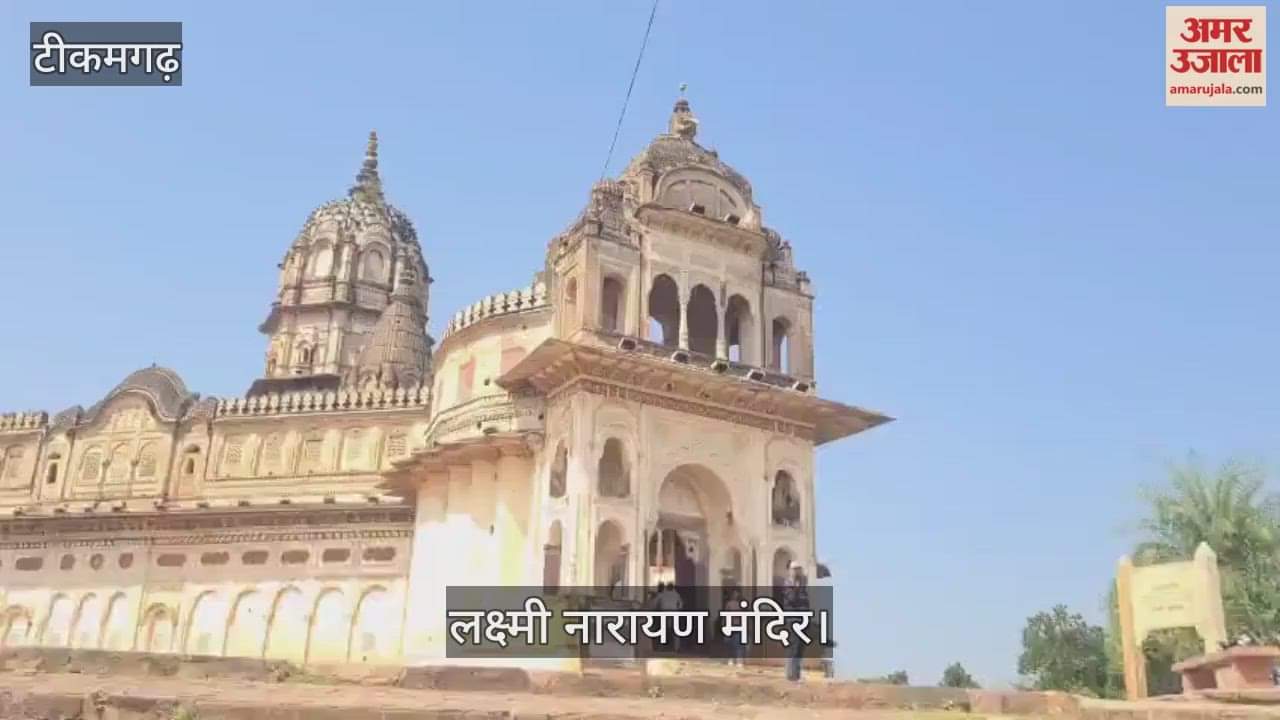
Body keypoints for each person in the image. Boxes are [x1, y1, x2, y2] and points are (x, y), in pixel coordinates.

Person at [781, 561, 809, 681]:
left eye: (799, 569)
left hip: (802, 619)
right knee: (794, 646)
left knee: (800, 647)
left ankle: (796, 674)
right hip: (793, 619)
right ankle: (791, 675)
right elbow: (792, 599)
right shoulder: (788, 584)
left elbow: (805, 602)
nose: (798, 571)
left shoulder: (801, 585)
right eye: (795, 569)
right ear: (790, 571)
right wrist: (796, 586)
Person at [721, 588, 746, 667]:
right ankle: (730, 659)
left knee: (738, 644)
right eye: (734, 593)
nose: (735, 595)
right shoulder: (729, 604)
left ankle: (739, 661)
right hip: (730, 625)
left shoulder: (742, 604)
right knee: (729, 643)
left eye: (736, 593)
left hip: (738, 626)